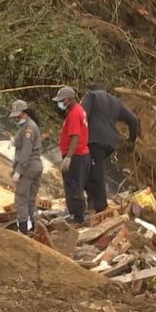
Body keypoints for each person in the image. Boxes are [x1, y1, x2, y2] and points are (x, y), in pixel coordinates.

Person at [81, 82, 139, 213]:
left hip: (94, 140)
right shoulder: (115, 101)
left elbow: (82, 115)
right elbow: (133, 120)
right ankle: (92, 201)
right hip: (110, 142)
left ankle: (101, 206)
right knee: (91, 169)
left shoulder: (91, 96)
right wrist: (131, 141)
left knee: (95, 171)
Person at [53, 86, 90, 224]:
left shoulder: (75, 113)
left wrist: (68, 157)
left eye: (62, 100)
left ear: (68, 99)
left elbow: (76, 137)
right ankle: (75, 213)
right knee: (75, 185)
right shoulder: (78, 111)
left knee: (73, 185)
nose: (60, 103)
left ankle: (78, 216)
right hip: (79, 154)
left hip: (76, 156)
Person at [9, 99, 43, 235]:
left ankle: (23, 230)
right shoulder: (30, 126)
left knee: (21, 197)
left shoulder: (28, 128)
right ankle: (35, 228)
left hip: (28, 166)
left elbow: (26, 151)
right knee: (31, 199)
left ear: (25, 113)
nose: (16, 119)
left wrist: (19, 170)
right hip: (36, 165)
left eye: (18, 116)